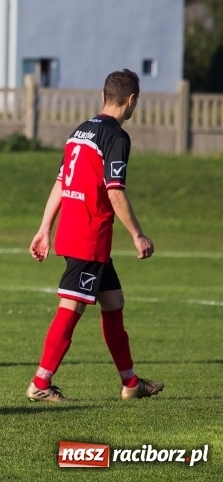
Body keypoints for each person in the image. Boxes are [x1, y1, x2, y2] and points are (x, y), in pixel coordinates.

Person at [26, 69, 163, 402]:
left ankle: (130, 383)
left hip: (80, 234)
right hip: (89, 235)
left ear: (103, 96)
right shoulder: (116, 136)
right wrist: (138, 235)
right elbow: (115, 192)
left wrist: (45, 228)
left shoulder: (81, 131)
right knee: (70, 308)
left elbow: (61, 182)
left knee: (113, 303)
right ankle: (40, 384)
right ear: (131, 101)